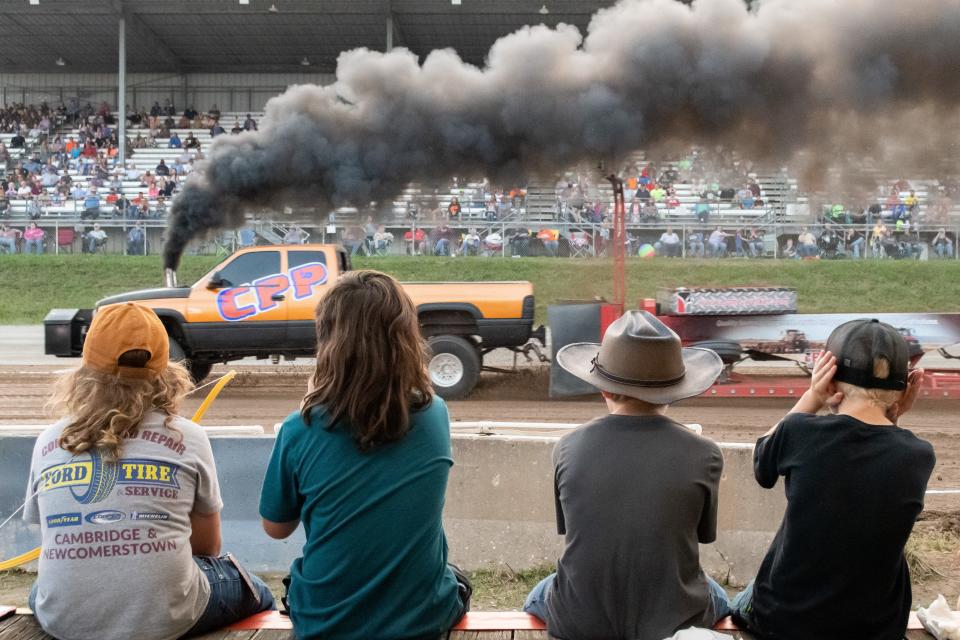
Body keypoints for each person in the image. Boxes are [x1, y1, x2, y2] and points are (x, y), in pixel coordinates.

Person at [24, 303, 275, 640]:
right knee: (256, 589)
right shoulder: (188, 437)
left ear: (86, 368)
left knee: (43, 587)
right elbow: (207, 548)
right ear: (165, 369)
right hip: (169, 617)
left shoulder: (49, 440)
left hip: (64, 618)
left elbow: (55, 537)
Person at [259, 271, 471, 639]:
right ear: (406, 339)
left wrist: (312, 404)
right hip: (421, 617)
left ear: (328, 342)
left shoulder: (300, 428)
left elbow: (276, 529)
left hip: (324, 621)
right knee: (454, 577)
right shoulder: (435, 414)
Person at [523, 311, 728, 639]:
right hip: (670, 620)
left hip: (579, 621)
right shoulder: (706, 454)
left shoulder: (567, 448)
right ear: (676, 390)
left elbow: (574, 531)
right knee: (718, 594)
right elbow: (700, 535)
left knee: (538, 593)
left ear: (604, 389)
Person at [731, 320, 934, 640]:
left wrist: (812, 397)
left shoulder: (799, 432)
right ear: (904, 389)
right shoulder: (919, 456)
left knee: (743, 598)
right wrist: (892, 418)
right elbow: (879, 456)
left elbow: (762, 464)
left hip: (784, 622)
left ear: (830, 376)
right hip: (876, 628)